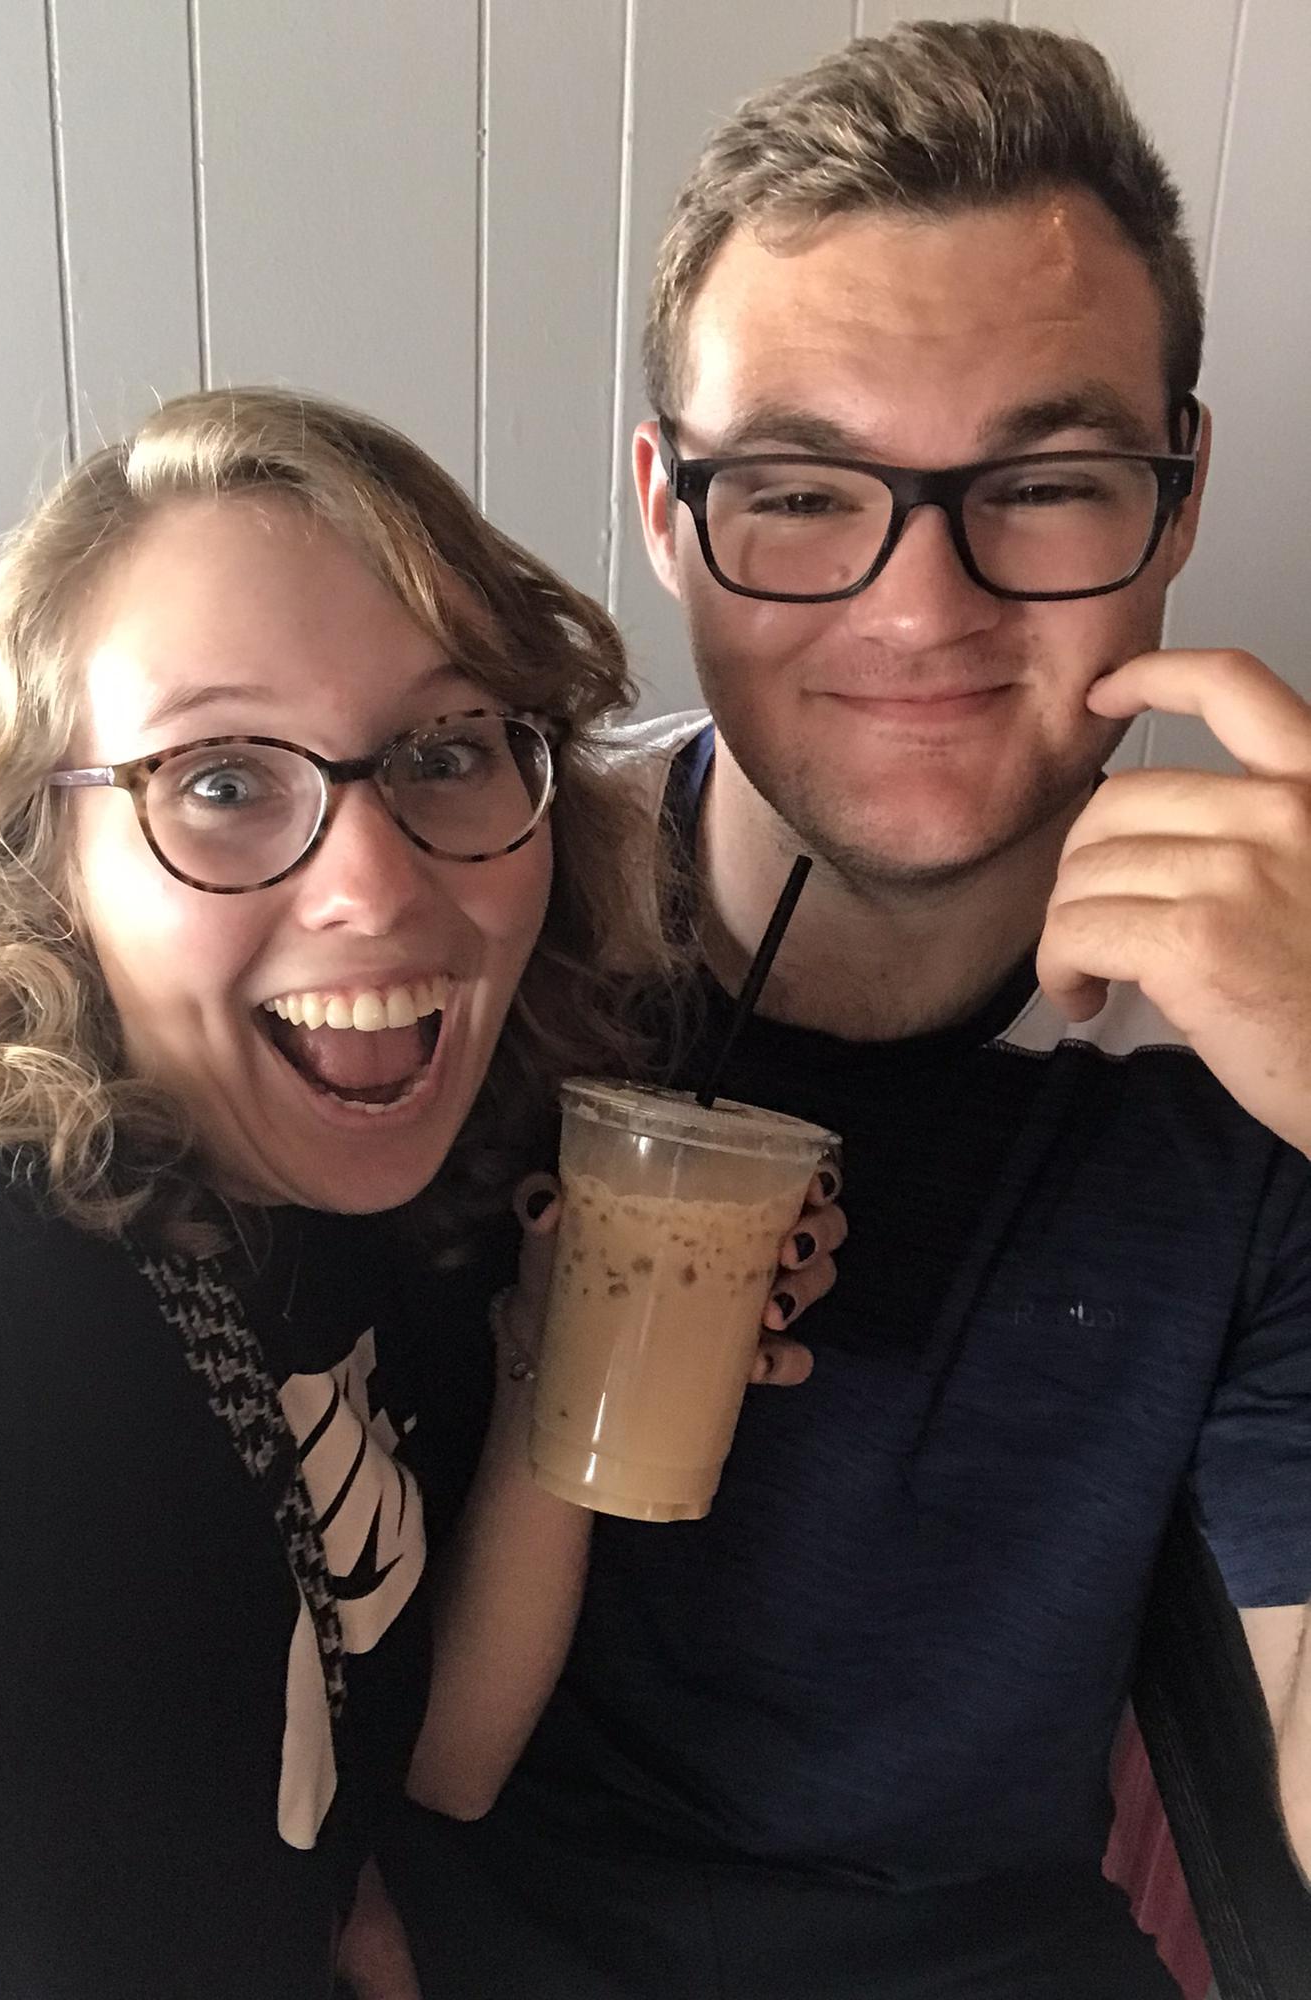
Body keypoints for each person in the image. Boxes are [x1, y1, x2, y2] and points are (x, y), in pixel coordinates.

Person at [384, 20, 1311, 1999]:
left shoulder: (1251, 1052)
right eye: (799, 491)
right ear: (660, 499)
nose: (917, 607)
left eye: (1046, 481)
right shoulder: (455, 916)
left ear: (1178, 486)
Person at [0, 383, 845, 1999]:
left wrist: (572, 1334)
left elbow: (440, 1762)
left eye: (442, 752)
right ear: (40, 855)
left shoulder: (367, 1215)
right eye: (219, 781)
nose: (374, 881)